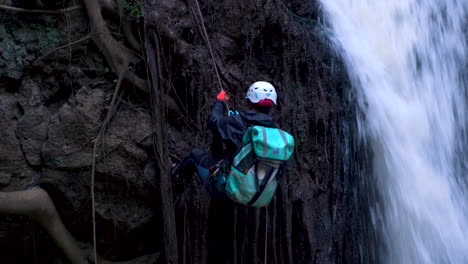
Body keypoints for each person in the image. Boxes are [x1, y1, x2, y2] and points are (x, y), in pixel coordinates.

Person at [171, 81, 281, 200]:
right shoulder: (276, 133)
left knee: (194, 155)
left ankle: (173, 178)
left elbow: (213, 121)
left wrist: (220, 102)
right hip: (257, 194)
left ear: (249, 102)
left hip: (227, 188)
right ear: (271, 105)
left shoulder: (238, 121)